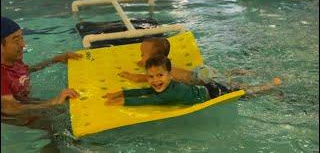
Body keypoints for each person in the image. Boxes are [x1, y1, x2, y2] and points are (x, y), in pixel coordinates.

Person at [103, 54, 281, 106]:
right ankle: (241, 72)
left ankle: (270, 86)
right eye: (151, 77)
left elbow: (149, 99)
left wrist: (121, 101)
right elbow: (145, 91)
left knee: (246, 92)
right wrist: (118, 92)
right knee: (230, 81)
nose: (155, 80)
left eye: (159, 75)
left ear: (170, 75)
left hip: (215, 94)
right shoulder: (165, 86)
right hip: (208, 86)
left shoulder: (171, 92)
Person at [1, 16, 80, 123]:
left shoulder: (14, 60)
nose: (23, 45)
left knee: (67, 110)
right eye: (16, 40)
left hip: (24, 101)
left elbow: (26, 71)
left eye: (22, 38)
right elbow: (10, 109)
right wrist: (52, 102)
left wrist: (55, 60)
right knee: (58, 125)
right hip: (15, 115)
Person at [119, 37, 253, 86]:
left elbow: (142, 78)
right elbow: (147, 64)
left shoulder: (160, 71)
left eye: (143, 55)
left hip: (201, 78)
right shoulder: (163, 63)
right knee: (222, 75)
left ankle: (268, 87)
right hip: (200, 70)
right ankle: (239, 72)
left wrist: (130, 75)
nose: (141, 58)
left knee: (235, 89)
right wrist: (143, 61)